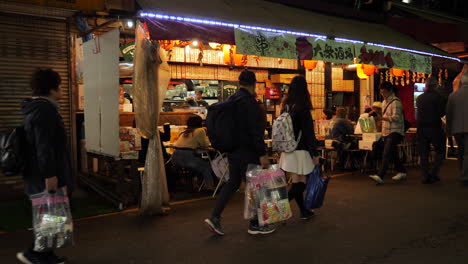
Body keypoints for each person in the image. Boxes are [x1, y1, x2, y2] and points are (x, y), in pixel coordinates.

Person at [204, 70, 273, 236]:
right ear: (254, 84)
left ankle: (214, 217)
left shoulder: (231, 100)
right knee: (255, 187)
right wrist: (262, 154)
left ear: (238, 83)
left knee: (233, 183)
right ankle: (255, 224)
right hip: (248, 152)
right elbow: (255, 132)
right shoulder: (249, 103)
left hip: (233, 151)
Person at [18, 69, 73, 264]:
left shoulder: (38, 109)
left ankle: (44, 252)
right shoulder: (44, 110)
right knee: (49, 214)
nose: (61, 91)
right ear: (52, 88)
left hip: (38, 173)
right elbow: (44, 147)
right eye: (59, 86)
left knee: (51, 214)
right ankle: (36, 254)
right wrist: (50, 175)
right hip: (44, 175)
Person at [278, 76, 320, 220]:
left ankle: (302, 211)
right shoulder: (303, 108)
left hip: (288, 148)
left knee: (297, 181)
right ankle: (279, 208)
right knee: (300, 182)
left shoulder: (286, 106)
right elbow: (308, 133)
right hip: (300, 150)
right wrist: (314, 153)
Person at [370, 82, 406, 184]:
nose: (382, 94)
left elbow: (397, 118)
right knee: (392, 153)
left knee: (386, 153)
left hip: (395, 131)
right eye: (381, 92)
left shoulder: (396, 102)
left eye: (384, 92)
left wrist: (382, 117)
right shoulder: (384, 102)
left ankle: (380, 175)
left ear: (390, 91)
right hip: (386, 132)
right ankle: (402, 171)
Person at [416, 77, 446, 184]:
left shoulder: (419, 98)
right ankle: (433, 173)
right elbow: (442, 112)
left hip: (421, 128)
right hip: (434, 128)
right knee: (440, 151)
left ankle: (425, 176)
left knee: (423, 153)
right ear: (435, 86)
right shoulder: (438, 97)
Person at [172, 116, 214, 190]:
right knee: (206, 166)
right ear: (200, 123)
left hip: (175, 158)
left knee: (198, 164)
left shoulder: (184, 132)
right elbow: (205, 144)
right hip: (188, 158)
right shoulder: (200, 130)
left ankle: (196, 183)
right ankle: (210, 186)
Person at [446, 72, 468, 186]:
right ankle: (465, 176)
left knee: (461, 150)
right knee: (467, 153)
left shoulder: (453, 95)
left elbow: (449, 114)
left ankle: (462, 172)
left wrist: (448, 128)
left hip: (457, 128)